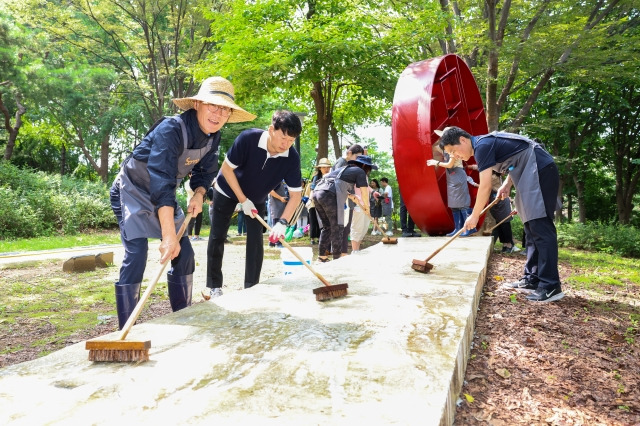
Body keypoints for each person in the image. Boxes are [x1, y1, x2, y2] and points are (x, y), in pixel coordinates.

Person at [109, 76, 255, 329]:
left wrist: (199, 194)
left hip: (164, 193)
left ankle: (182, 317)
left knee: (185, 253)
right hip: (132, 190)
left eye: (224, 109)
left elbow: (205, 173)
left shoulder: (213, 136)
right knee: (137, 252)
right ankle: (126, 329)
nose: (218, 114)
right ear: (197, 104)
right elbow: (162, 180)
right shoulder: (171, 130)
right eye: (213, 105)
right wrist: (168, 235)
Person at [438, 126, 564, 303]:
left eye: (453, 150)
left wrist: (474, 215)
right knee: (530, 227)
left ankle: (551, 286)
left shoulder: (482, 146)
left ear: (463, 140)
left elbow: (485, 186)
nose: (454, 156)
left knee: (540, 226)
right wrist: (507, 184)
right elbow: (515, 158)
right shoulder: (483, 145)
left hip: (539, 168)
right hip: (526, 171)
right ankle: (532, 278)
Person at [203, 110, 303, 299]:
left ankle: (252, 286)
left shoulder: (291, 158)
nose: (286, 144)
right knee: (217, 235)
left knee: (256, 241)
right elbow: (226, 169)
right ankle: (214, 286)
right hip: (227, 189)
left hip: (257, 197)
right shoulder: (248, 138)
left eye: (291, 141)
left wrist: (282, 222)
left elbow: (296, 196)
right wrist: (242, 200)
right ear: (271, 129)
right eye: (283, 138)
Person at [312, 155, 377, 261]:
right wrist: (366, 207)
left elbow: (334, 183)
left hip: (317, 192)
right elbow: (364, 192)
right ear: (364, 165)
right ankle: (337, 259)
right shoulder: (360, 172)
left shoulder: (343, 170)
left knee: (327, 227)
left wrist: (351, 196)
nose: (368, 171)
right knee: (338, 227)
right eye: (369, 168)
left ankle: (322, 257)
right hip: (329, 194)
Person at [427, 146, 476, 237]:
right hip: (451, 178)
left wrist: (436, 162)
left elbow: (450, 164)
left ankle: (469, 229)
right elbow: (434, 147)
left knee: (462, 204)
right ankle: (458, 228)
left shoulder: (454, 149)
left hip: (458, 175)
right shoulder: (444, 148)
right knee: (454, 205)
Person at [333, 144, 366, 254]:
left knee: (346, 229)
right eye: (357, 157)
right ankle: (339, 253)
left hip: (348, 201)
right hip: (340, 200)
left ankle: (343, 253)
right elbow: (337, 183)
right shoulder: (341, 162)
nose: (358, 160)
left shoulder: (349, 165)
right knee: (341, 228)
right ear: (349, 153)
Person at [307, 157, 332, 244]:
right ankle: (312, 238)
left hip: (327, 202)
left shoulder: (332, 176)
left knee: (325, 221)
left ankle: (323, 238)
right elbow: (312, 189)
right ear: (320, 168)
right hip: (315, 201)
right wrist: (310, 200)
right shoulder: (316, 177)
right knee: (313, 220)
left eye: (328, 167)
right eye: (324, 167)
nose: (326, 169)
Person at [184, 173, 204, 241]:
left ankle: (196, 236)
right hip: (190, 204)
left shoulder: (199, 182)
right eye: (191, 174)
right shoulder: (187, 183)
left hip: (199, 204)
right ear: (189, 175)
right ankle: (189, 236)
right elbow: (190, 190)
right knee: (191, 221)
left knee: (199, 220)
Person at [268, 182, 289, 247]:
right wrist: (280, 198)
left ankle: (273, 242)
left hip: (280, 206)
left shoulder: (282, 182)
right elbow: (270, 191)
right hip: (276, 206)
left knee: (277, 224)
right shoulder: (277, 181)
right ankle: (277, 242)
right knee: (276, 224)